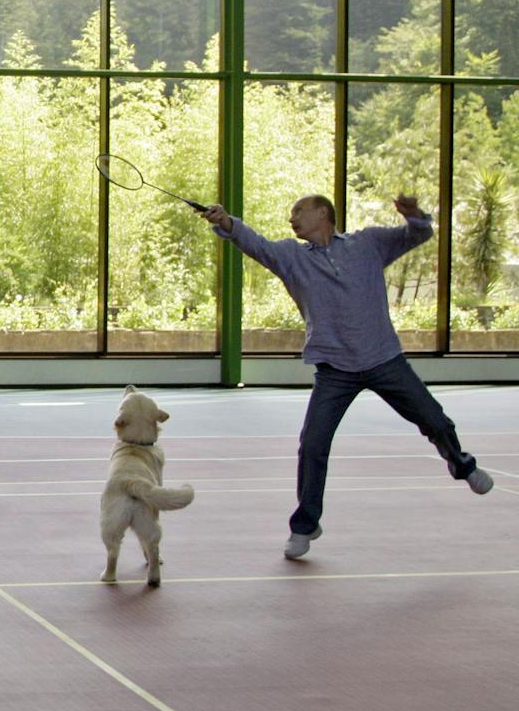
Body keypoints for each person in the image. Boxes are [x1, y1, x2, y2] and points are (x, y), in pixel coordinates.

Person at [200, 193, 493, 560]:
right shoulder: (292, 258)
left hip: (384, 359)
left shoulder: (367, 244)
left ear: (323, 213)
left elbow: (417, 235)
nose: (292, 219)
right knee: (313, 445)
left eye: (298, 212)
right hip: (334, 370)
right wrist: (226, 221)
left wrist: (414, 215)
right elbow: (254, 244)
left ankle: (462, 465)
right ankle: (305, 526)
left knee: (434, 419)